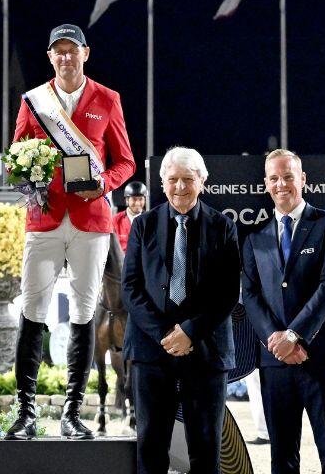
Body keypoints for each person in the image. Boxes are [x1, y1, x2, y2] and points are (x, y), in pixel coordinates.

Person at [6, 24, 135, 440]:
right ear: (50, 57)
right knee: (32, 311)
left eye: (72, 51)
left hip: (91, 220)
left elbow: (126, 163)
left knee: (83, 313)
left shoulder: (107, 99)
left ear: (85, 53)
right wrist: (31, 180)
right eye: (58, 51)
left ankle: (72, 413)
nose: (65, 57)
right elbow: (15, 161)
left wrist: (106, 184)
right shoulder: (34, 101)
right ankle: (26, 412)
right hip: (44, 219)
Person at [122, 147, 240, 474]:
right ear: (162, 183)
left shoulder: (223, 227)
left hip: (206, 351)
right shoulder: (142, 226)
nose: (180, 187)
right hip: (151, 352)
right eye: (172, 180)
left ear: (202, 181)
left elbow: (228, 292)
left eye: (188, 180)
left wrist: (190, 332)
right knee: (151, 447)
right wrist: (166, 335)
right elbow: (130, 287)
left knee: (206, 450)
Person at [240, 149, 325, 473]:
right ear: (265, 184)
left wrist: (295, 335)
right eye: (274, 178)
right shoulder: (254, 239)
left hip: (322, 357)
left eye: (288, 176)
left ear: (302, 179)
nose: (281, 184)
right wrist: (277, 340)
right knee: (282, 458)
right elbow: (251, 295)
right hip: (275, 363)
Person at [113, 181, 148, 253]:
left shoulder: (150, 220)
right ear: (127, 200)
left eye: (141, 199)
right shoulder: (115, 220)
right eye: (134, 199)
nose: (137, 203)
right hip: (122, 262)